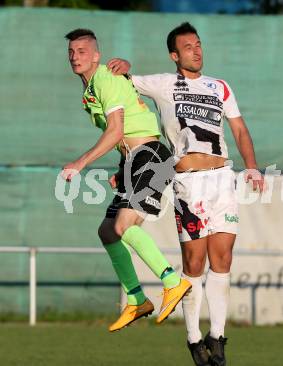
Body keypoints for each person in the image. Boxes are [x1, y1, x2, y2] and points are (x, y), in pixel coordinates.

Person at [108, 22, 264, 365]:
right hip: (188, 182)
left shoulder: (220, 87)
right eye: (188, 47)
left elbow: (239, 128)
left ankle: (218, 336)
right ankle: (194, 338)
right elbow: (120, 89)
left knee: (223, 258)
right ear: (174, 55)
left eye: (198, 44)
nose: (197, 50)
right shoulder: (164, 83)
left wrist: (251, 165)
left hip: (223, 177)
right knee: (194, 263)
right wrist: (123, 67)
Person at [62, 28, 191, 332]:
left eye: (82, 51)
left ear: (96, 55)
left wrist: (80, 163)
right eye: (71, 52)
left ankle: (173, 281)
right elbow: (126, 130)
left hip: (150, 156)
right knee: (108, 231)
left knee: (123, 226)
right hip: (135, 160)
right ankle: (136, 299)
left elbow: (117, 130)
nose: (75, 56)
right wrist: (123, 169)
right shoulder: (92, 86)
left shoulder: (104, 78)